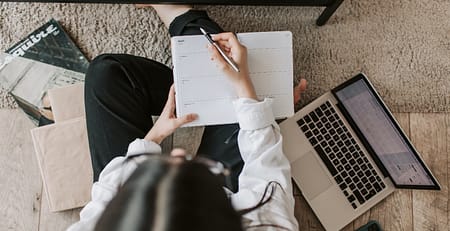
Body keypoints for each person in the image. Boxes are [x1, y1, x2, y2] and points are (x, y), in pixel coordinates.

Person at [67, 4, 307, 231]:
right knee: (244, 92)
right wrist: (246, 88)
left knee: (106, 74)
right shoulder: (268, 223)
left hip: (126, 195)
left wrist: (155, 135)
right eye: (198, 170)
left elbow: (108, 191)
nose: (179, 152)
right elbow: (266, 167)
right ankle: (176, 12)